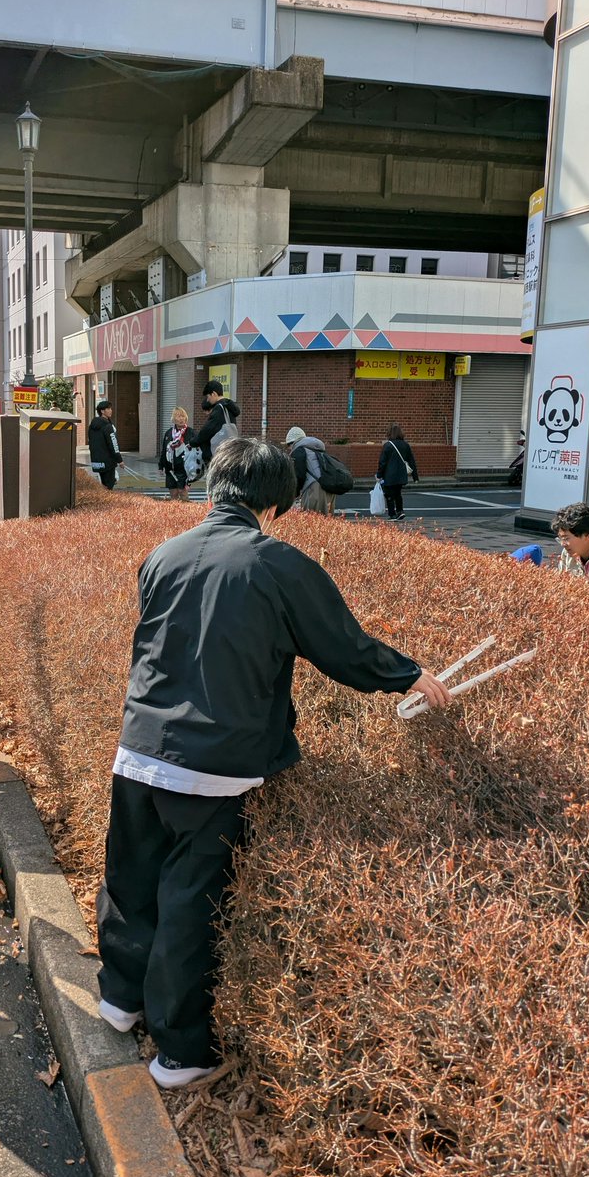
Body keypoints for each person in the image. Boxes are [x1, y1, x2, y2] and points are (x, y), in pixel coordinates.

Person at [95, 437, 451, 1089]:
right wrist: (408, 675)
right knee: (188, 904)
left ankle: (117, 1000)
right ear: (277, 501)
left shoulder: (162, 555)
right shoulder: (275, 563)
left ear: (214, 486)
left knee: (130, 878)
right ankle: (179, 1054)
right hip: (213, 763)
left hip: (138, 745)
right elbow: (341, 648)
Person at [284, 426, 337, 515]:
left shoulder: (299, 451)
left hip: (314, 489)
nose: (290, 449)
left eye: (289, 446)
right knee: (326, 522)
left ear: (291, 443)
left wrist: (294, 494)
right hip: (329, 488)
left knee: (311, 520)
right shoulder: (317, 449)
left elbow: (299, 475)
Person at [189, 381, 241, 466]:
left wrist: (193, 442)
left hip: (218, 454)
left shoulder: (218, 408)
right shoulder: (229, 407)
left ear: (213, 393)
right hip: (229, 450)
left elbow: (208, 430)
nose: (207, 399)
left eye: (208, 396)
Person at [376, 423, 418, 521]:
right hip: (401, 475)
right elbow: (411, 461)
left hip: (389, 475)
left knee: (389, 494)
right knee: (398, 493)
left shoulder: (387, 445)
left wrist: (379, 475)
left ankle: (392, 514)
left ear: (390, 433)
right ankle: (400, 511)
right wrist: (415, 476)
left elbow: (382, 462)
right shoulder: (405, 445)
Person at [160, 407, 196, 500]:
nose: (181, 419)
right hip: (171, 468)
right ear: (174, 419)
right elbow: (164, 450)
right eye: (178, 416)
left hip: (184, 469)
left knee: (183, 493)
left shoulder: (191, 432)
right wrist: (161, 466)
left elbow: (196, 451)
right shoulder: (169, 433)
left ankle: (186, 513)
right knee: (173, 493)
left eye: (183, 416)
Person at [88, 400, 124, 490]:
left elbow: (91, 442)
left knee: (103, 486)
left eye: (110, 408)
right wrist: (119, 460)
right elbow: (113, 444)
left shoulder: (92, 426)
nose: (111, 410)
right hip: (108, 461)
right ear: (102, 411)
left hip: (97, 461)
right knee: (109, 486)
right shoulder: (107, 426)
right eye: (108, 408)